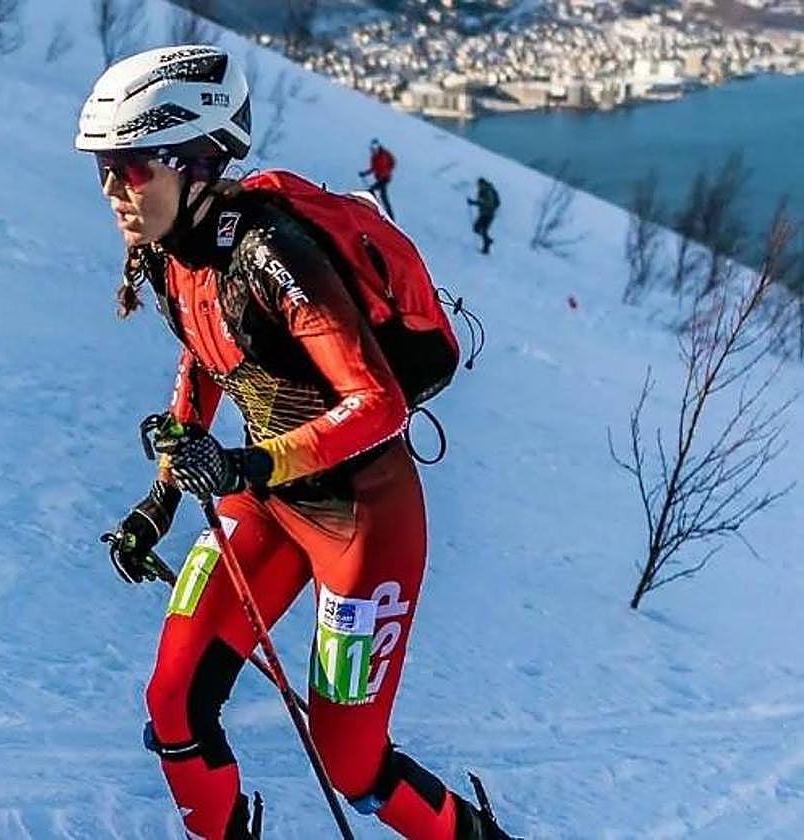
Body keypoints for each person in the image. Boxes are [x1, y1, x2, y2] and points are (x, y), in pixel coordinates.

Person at [77, 45, 515, 840]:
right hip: (267, 500)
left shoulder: (273, 254)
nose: (112, 189)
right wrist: (159, 502)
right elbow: (210, 355)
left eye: (132, 167)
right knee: (173, 701)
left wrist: (246, 463)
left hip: (362, 522)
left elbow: (377, 404)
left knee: (352, 762)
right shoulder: (172, 252)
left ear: (196, 162)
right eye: (105, 167)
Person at [359, 138, 397, 220]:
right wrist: (364, 173)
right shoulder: (374, 158)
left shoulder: (383, 155)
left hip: (384, 178)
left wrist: (386, 173)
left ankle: (388, 216)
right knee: (378, 194)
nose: (373, 151)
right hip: (380, 179)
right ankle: (382, 212)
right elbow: (373, 168)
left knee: (376, 193)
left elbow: (390, 164)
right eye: (372, 149)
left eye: (374, 149)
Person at [467, 177, 500, 254]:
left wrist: (474, 202)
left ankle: (486, 248)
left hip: (488, 214)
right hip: (484, 213)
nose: (478, 186)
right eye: (478, 184)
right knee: (476, 228)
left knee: (483, 230)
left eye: (479, 184)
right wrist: (473, 202)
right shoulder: (482, 191)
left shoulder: (487, 191)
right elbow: (482, 202)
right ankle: (487, 240)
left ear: (483, 184)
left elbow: (488, 203)